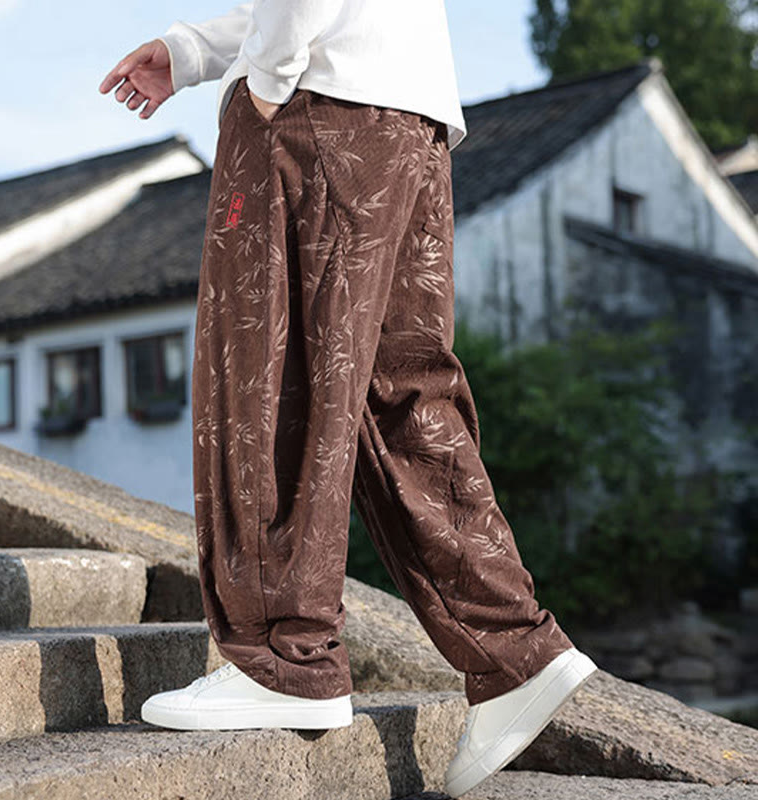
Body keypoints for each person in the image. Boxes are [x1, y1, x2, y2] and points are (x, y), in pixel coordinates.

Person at [99, 2, 598, 795]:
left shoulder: (292, 91)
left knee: (269, 380)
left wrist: (265, 80)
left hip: (315, 113)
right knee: (399, 394)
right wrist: (191, 51)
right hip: (410, 122)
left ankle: (282, 656)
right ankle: (513, 651)